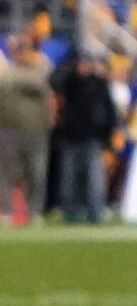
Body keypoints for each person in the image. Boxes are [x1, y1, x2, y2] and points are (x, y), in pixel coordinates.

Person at [0, 34, 54, 225]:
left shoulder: (38, 70)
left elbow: (44, 93)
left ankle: (34, 212)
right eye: (19, 50)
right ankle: (6, 212)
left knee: (36, 172)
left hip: (35, 130)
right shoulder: (5, 73)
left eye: (25, 50)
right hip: (8, 130)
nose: (22, 54)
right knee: (6, 173)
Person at [55, 51, 116, 223]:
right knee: (69, 179)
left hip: (93, 138)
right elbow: (55, 82)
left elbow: (109, 111)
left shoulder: (99, 83)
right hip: (71, 137)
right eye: (81, 62)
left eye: (87, 62)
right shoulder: (70, 82)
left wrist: (107, 136)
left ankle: (95, 213)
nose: (84, 66)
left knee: (95, 180)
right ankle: (70, 213)